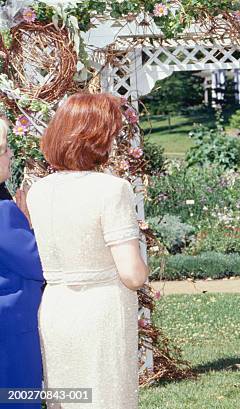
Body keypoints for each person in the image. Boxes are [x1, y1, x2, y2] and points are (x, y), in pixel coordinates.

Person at [26, 93, 149, 409]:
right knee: (106, 399)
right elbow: (133, 275)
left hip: (56, 308)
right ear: (99, 138)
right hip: (101, 313)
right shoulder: (111, 189)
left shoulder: (37, 191)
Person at [0, 116, 44, 409]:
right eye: (5, 149)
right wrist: (30, 220)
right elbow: (37, 263)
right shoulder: (3, 210)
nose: (11, 155)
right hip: (9, 327)